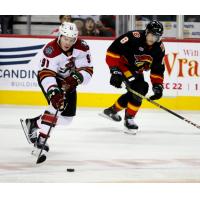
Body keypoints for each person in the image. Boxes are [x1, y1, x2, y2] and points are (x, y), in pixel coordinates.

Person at [21, 22, 93, 157]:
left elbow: (88, 70)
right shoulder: (50, 49)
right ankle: (41, 140)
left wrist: (77, 78)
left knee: (67, 119)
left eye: (72, 39)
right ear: (60, 35)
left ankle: (34, 123)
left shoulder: (82, 47)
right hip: (51, 79)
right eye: (66, 38)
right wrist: (53, 92)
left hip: (70, 82)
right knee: (57, 105)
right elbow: (46, 74)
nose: (68, 42)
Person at [101, 20, 165, 134]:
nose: (152, 39)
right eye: (151, 35)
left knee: (137, 92)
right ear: (146, 32)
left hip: (136, 70)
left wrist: (158, 85)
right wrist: (115, 71)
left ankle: (112, 110)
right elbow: (112, 51)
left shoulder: (159, 48)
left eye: (156, 37)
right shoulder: (133, 37)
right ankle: (129, 119)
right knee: (140, 89)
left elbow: (157, 68)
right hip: (123, 66)